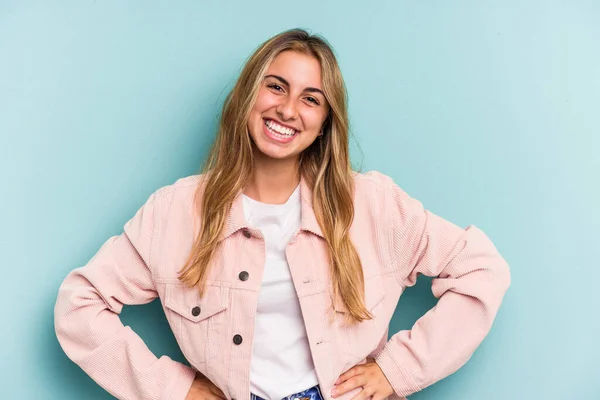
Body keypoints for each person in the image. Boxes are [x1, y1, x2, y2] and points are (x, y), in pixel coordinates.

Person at [54, 28, 511, 400]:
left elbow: (481, 270)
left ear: (325, 123)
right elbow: (79, 306)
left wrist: (397, 371)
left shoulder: (373, 204)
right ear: (248, 95)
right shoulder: (175, 212)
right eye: (276, 86)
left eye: (311, 98)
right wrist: (170, 389)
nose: (288, 109)